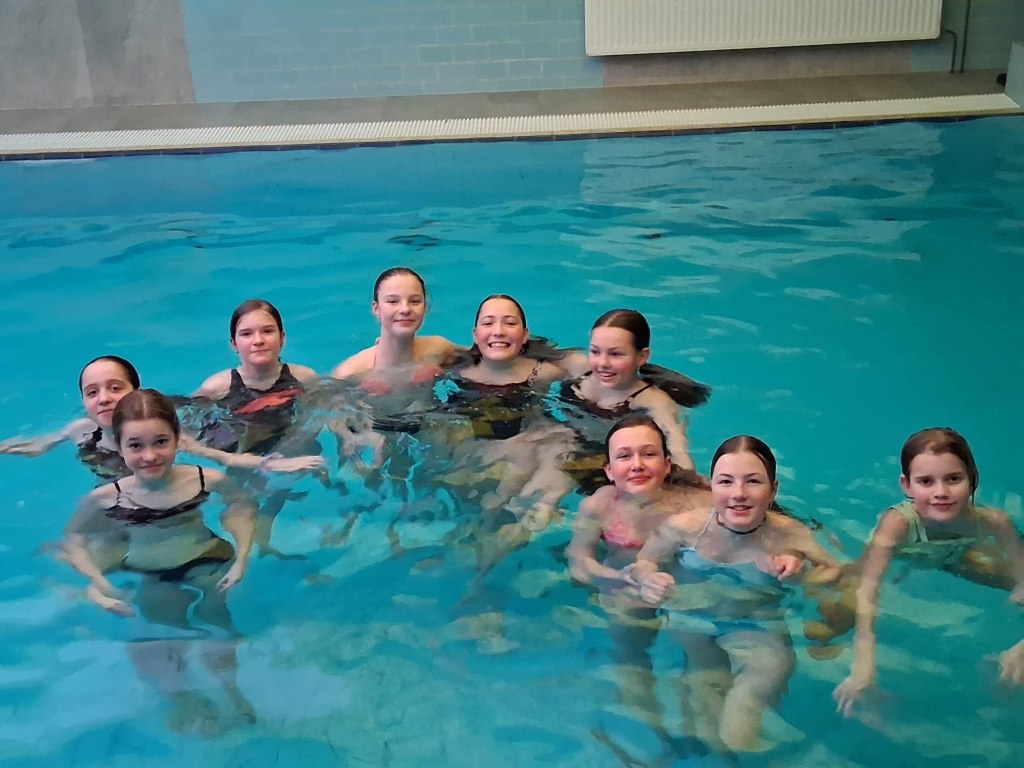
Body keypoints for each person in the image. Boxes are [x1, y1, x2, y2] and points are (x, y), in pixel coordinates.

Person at [61, 389, 258, 734]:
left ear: (178, 439)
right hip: (151, 573)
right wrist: (97, 581)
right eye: (136, 445)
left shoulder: (204, 479)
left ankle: (232, 688)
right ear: (119, 447)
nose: (150, 455)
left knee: (219, 628)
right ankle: (185, 698)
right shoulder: (107, 498)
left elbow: (241, 506)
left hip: (208, 558)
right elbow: (74, 538)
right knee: (165, 642)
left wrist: (242, 557)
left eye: (161, 442)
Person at [634, 435, 841, 753]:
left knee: (744, 717)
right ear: (712, 488)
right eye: (726, 482)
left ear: (773, 490)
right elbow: (644, 561)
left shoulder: (790, 535)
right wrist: (650, 578)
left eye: (753, 481)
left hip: (756, 626)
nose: (738, 493)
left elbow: (836, 573)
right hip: (694, 621)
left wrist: (800, 574)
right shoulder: (683, 528)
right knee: (703, 718)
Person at [833, 427, 1024, 716]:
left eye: (953, 479)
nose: (941, 492)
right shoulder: (897, 524)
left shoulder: (995, 522)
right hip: (904, 559)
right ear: (907, 486)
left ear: (973, 479)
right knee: (842, 595)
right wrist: (863, 665)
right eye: (925, 481)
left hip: (959, 556)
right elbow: (868, 590)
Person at [566, 415, 712, 754]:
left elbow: (758, 521)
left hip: (682, 586)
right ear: (609, 470)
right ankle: (654, 735)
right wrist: (616, 577)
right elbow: (579, 563)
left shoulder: (695, 503)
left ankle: (700, 728)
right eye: (624, 456)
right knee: (627, 651)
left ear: (667, 464)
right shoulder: (599, 505)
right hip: (624, 586)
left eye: (648, 454)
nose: (637, 465)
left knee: (700, 648)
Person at [0, 355, 318, 482]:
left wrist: (272, 464)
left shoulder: (163, 434)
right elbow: (41, 445)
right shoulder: (80, 430)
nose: (104, 398)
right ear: (83, 402)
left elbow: (223, 458)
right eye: (92, 392)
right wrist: (18, 448)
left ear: (136, 392)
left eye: (115, 388)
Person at [192, 299, 324, 557]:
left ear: (282, 337)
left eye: (267, 331)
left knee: (285, 492)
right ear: (233, 344)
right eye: (246, 334)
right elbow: (184, 430)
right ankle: (246, 549)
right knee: (240, 504)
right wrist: (226, 456)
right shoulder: (217, 388)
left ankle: (267, 539)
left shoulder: (305, 378)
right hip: (244, 457)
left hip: (295, 453)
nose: (258, 340)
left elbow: (321, 417)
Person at [439, 294, 574, 534]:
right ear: (475, 335)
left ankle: (542, 504)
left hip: (526, 444)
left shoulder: (545, 373)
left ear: (525, 335)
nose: (498, 331)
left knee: (564, 439)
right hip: (474, 448)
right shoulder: (457, 370)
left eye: (510, 323)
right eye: (488, 323)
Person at [557, 309, 708, 495]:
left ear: (642, 356)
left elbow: (678, 449)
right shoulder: (579, 368)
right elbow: (533, 355)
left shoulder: (654, 403)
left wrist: (691, 485)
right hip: (567, 445)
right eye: (595, 351)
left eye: (616, 354)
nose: (602, 363)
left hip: (614, 467)